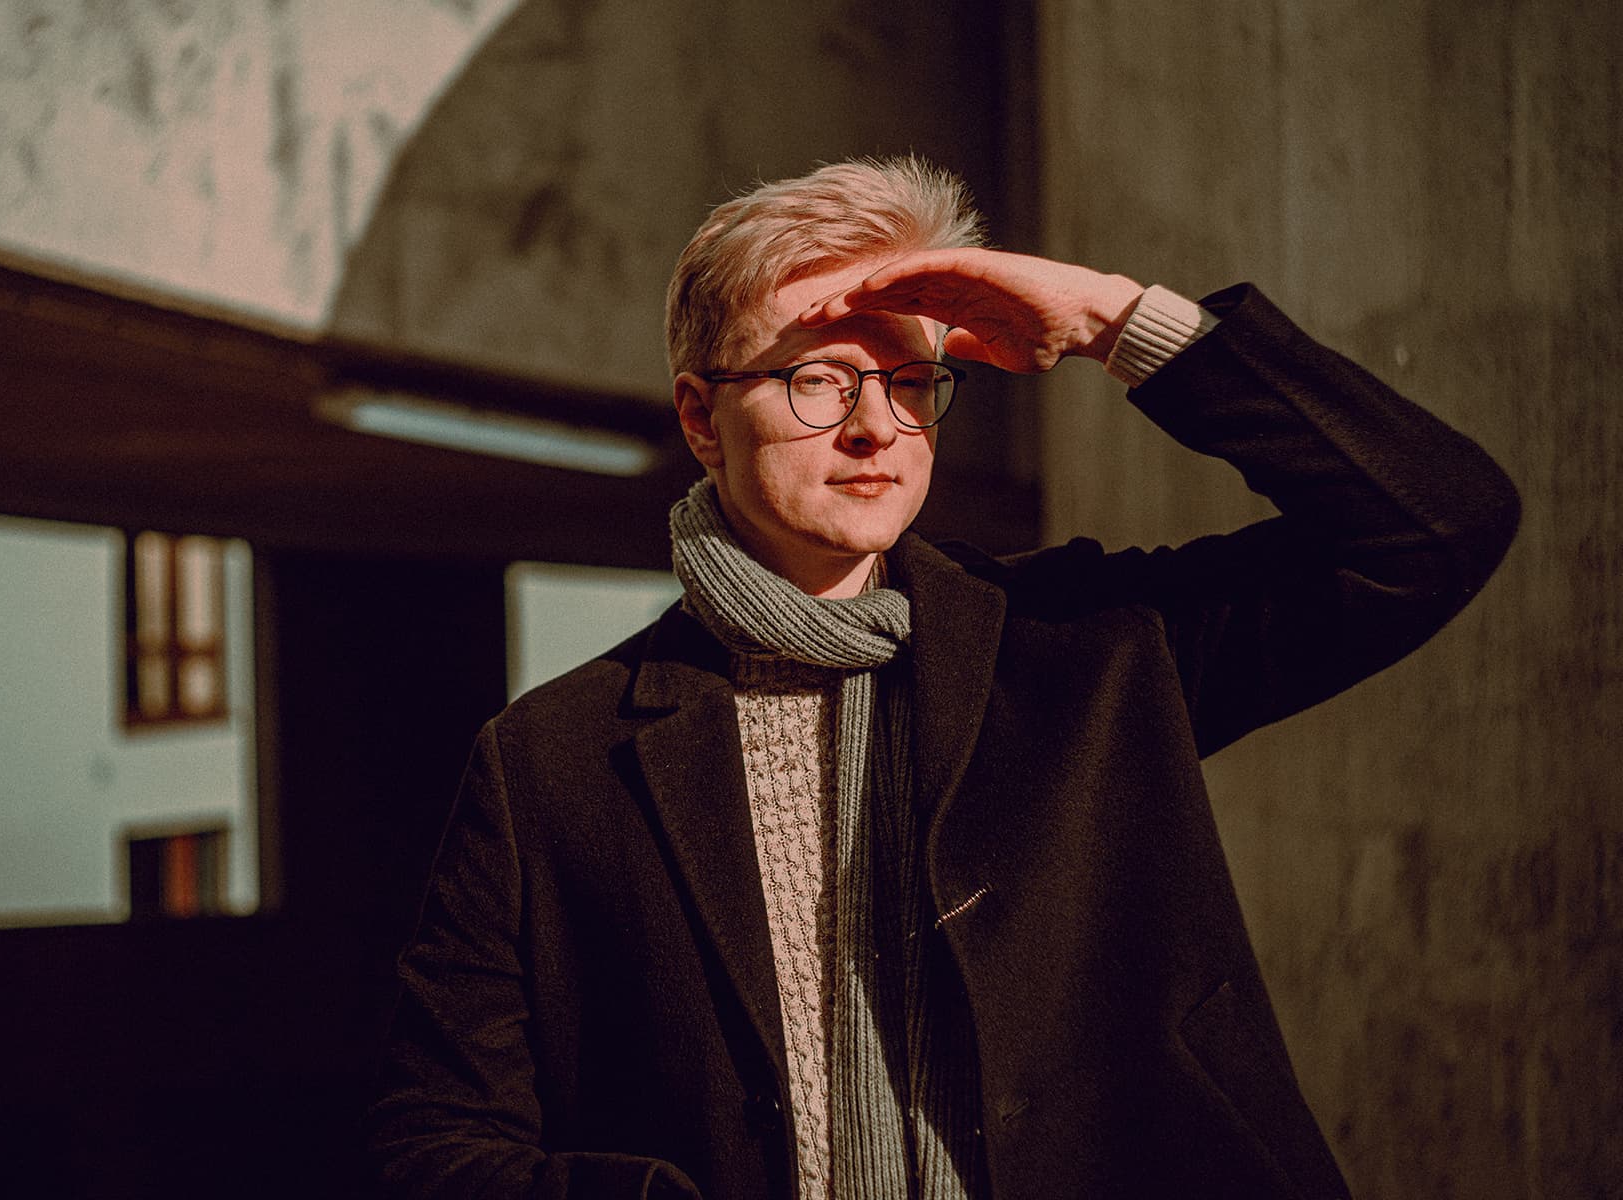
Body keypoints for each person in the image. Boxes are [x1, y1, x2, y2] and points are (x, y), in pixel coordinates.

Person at [365, 157, 1519, 1199]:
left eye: (912, 381)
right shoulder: (552, 760)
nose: (876, 425)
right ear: (701, 419)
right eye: (820, 379)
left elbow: (1434, 528)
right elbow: (434, 1145)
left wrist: (1115, 320)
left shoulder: (1085, 651)